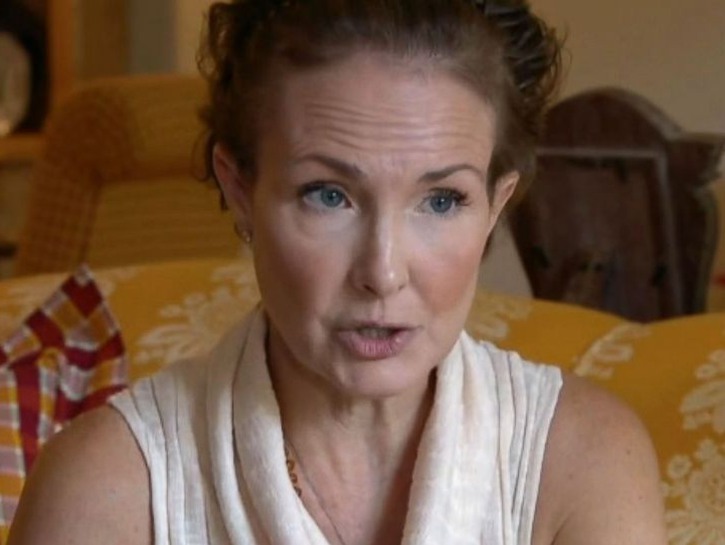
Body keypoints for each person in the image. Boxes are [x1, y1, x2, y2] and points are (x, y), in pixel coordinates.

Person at [8, 1, 668, 544]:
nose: (382, 273)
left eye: (441, 200)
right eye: (328, 195)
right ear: (240, 190)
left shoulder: (581, 460)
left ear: (495, 206)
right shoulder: (107, 487)